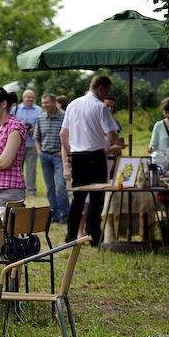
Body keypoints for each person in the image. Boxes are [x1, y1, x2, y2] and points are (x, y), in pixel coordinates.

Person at [60, 75, 124, 245]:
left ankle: (71, 235)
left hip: (77, 156)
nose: (106, 94)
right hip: (96, 156)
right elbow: (111, 137)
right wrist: (119, 144)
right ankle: (93, 235)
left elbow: (63, 134)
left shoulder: (73, 104)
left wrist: (70, 155)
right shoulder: (100, 107)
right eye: (107, 91)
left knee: (78, 198)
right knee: (96, 198)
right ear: (101, 88)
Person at [34, 93, 69, 223]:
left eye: (47, 103)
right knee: (50, 187)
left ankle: (65, 214)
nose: (44, 106)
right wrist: (39, 152)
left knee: (61, 187)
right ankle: (54, 215)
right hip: (45, 156)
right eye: (43, 103)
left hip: (59, 157)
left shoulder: (65, 116)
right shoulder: (40, 118)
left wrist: (63, 151)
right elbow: (37, 137)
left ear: (54, 102)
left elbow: (69, 135)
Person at [14, 89, 42, 197]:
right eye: (27, 97)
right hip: (17, 145)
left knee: (31, 169)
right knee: (17, 168)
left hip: (32, 144)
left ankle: (31, 191)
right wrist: (21, 125)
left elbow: (40, 126)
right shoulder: (16, 109)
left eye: (31, 97)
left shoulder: (39, 110)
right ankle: (17, 188)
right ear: (23, 98)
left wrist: (33, 129)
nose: (29, 99)